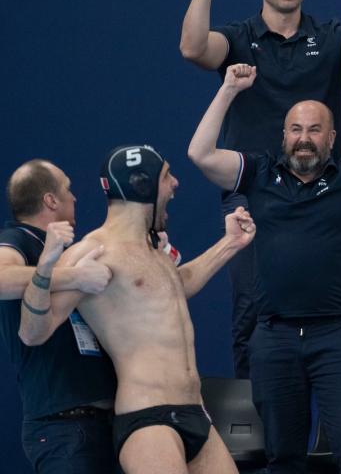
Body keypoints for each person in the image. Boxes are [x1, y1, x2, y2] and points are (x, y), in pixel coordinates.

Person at [178, 0, 341, 378]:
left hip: (324, 194)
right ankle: (255, 431)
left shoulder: (331, 36)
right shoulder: (240, 38)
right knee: (251, 313)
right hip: (253, 191)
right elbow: (192, 48)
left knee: (332, 316)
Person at [187, 63, 341, 474]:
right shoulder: (258, 173)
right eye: (296, 129)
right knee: (283, 457)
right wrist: (227, 90)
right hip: (274, 339)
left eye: (315, 130)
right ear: (284, 136)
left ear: (331, 138)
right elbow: (199, 153)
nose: (304, 139)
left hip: (336, 337)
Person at [18, 145, 256, 474]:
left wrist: (230, 244)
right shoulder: (93, 252)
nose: (175, 184)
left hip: (196, 413)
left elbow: (177, 287)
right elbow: (33, 333)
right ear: (141, 184)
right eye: (166, 176)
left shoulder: (155, 249)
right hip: (149, 420)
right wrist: (45, 270)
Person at [1, 160, 117, 473]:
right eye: (68, 189)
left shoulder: (71, 251)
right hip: (61, 426)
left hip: (105, 421)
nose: (75, 198)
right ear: (50, 200)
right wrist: (74, 277)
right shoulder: (19, 239)